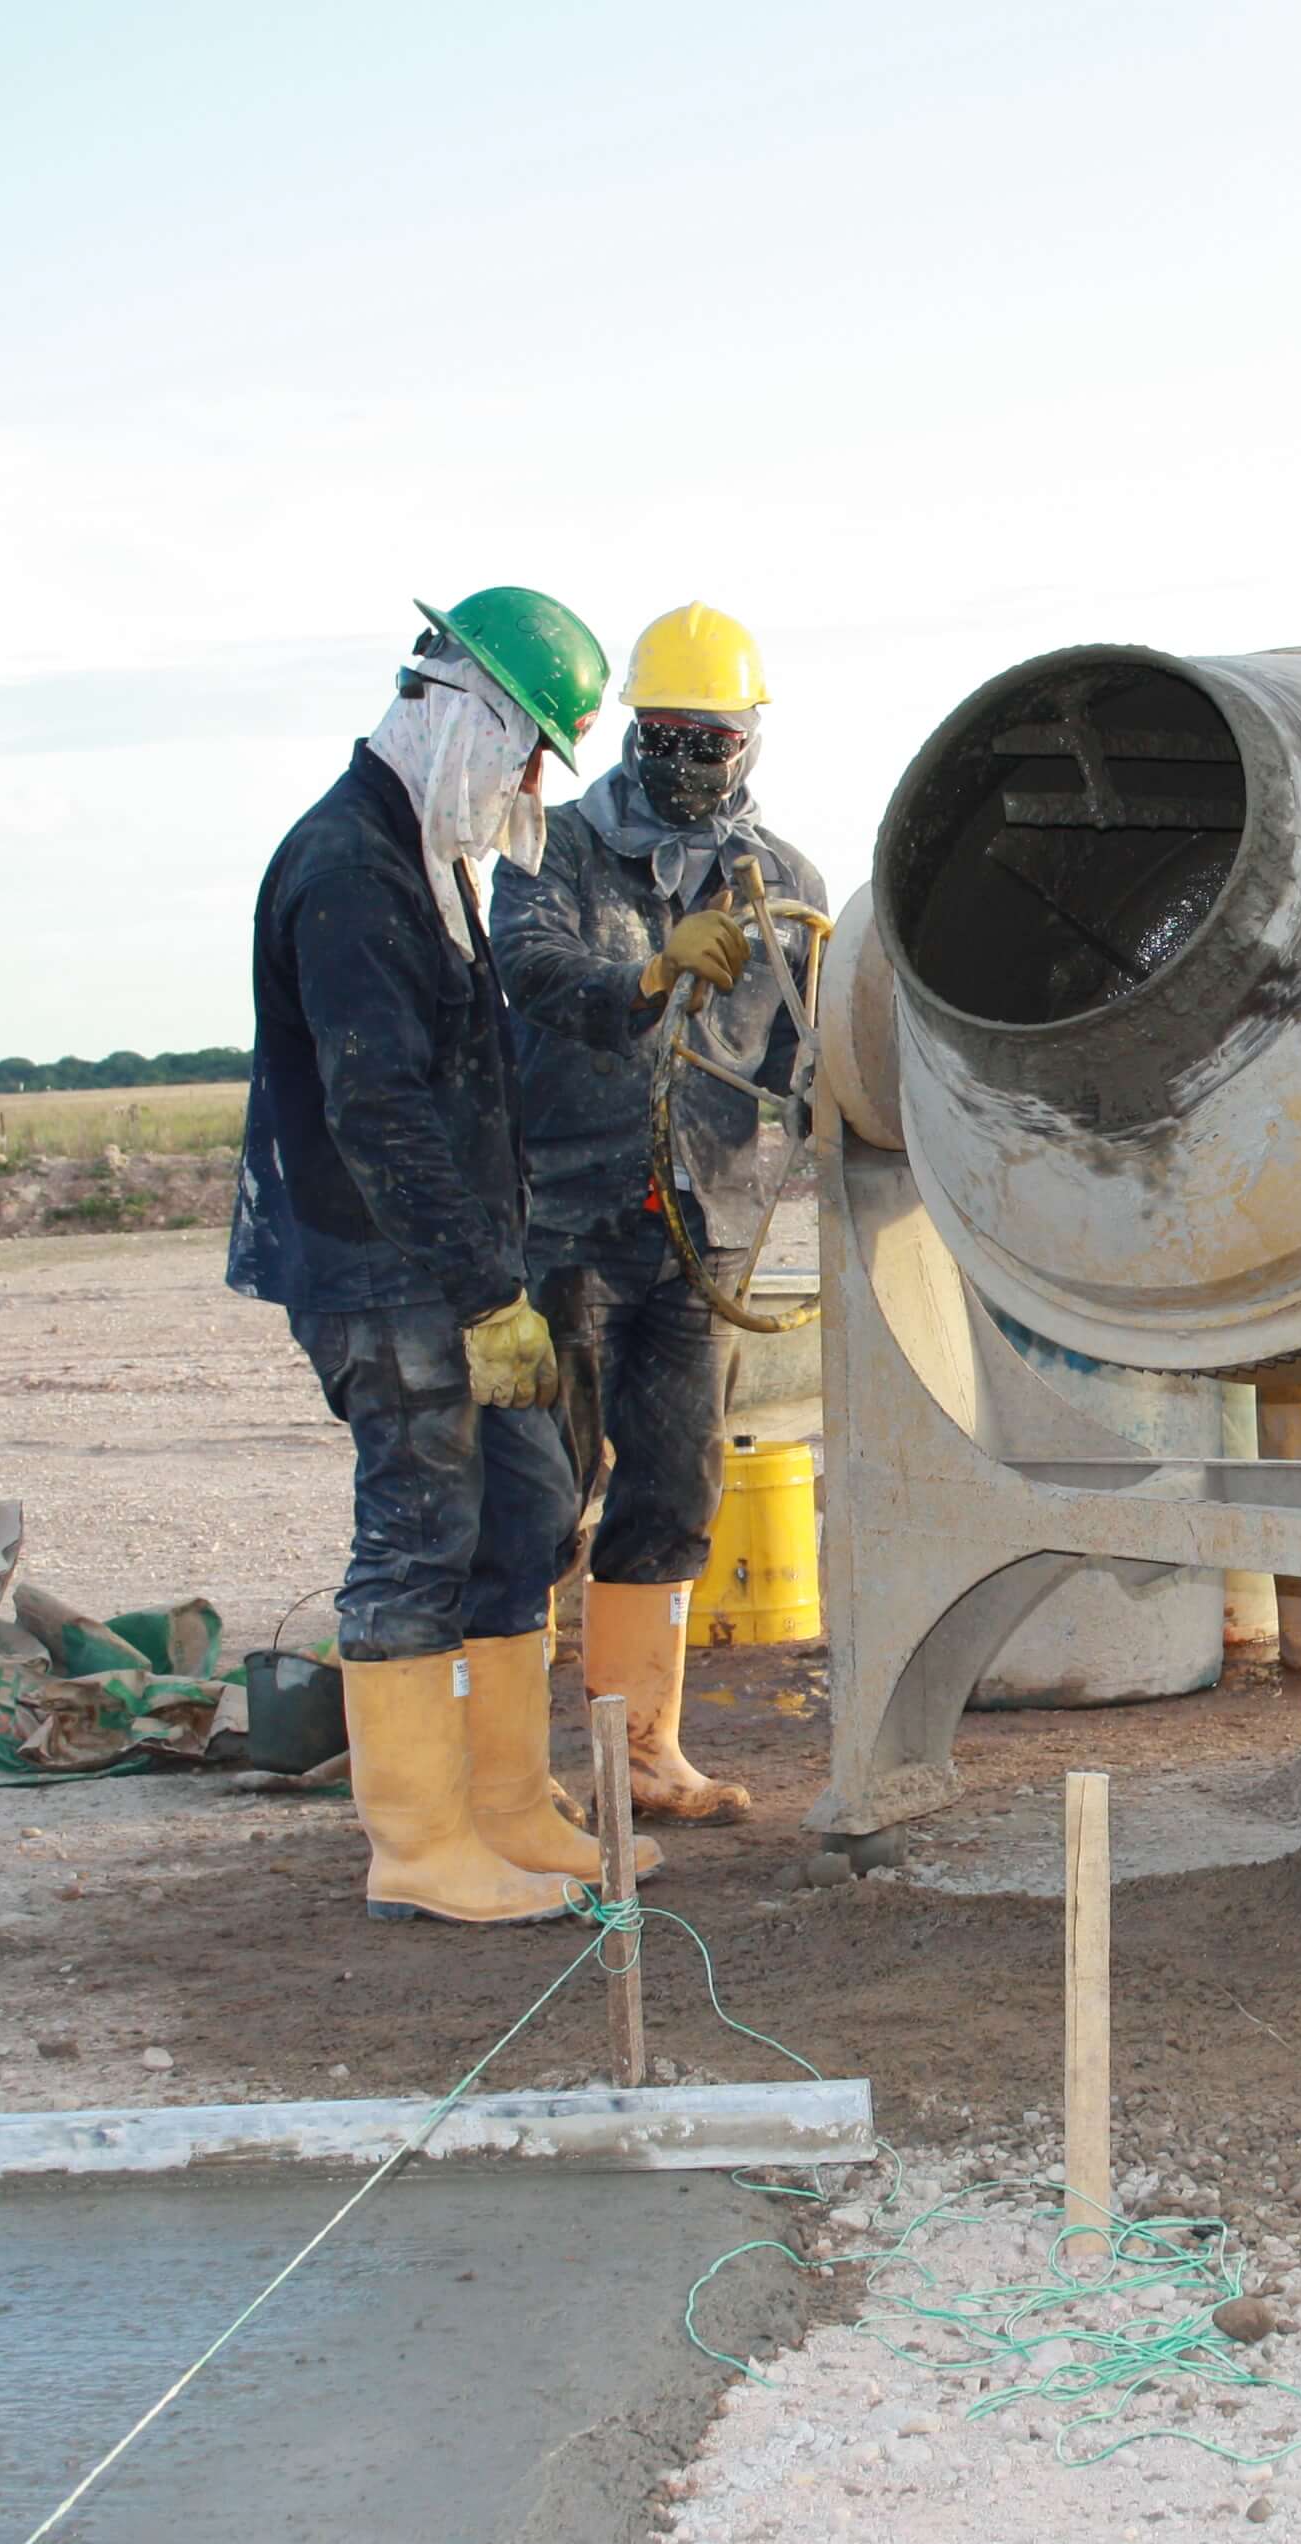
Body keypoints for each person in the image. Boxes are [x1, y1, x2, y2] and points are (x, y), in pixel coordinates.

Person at [229, 589, 614, 1923]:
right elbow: (376, 1109)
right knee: (420, 1530)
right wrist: (481, 1292)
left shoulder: (429, 855)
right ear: (465, 718)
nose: (528, 784)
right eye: (526, 752)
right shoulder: (350, 870)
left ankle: (505, 1804)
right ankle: (416, 1841)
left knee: (524, 1509)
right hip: (384, 1272)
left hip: (463, 1265)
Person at [493, 603, 828, 1828]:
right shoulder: (559, 848)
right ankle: (512, 1769)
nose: (688, 760)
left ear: (750, 740)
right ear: (633, 728)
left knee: (675, 1489)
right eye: (666, 734)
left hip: (708, 1225)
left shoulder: (783, 882)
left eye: (712, 739)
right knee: (538, 1490)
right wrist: (646, 971)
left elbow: (811, 1051)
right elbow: (526, 969)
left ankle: (643, 1750)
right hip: (572, 1215)